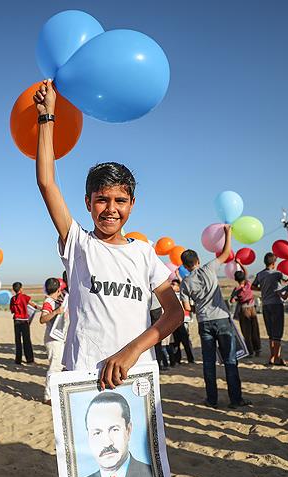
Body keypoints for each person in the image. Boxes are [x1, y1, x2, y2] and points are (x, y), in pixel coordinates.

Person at [33, 79, 183, 387]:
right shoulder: (78, 243)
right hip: (86, 376)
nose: (110, 208)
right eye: (102, 199)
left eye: (120, 200)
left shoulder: (144, 253)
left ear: (132, 204)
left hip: (137, 374)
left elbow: (174, 314)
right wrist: (47, 118)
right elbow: (47, 182)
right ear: (88, 202)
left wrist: (131, 352)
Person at [179, 230, 252, 409]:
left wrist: (199, 306)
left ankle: (212, 400)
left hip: (204, 322)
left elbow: (187, 308)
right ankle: (236, 399)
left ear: (185, 266)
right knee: (230, 360)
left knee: (209, 363)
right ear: (197, 261)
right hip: (222, 319)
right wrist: (228, 233)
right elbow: (226, 253)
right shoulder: (209, 268)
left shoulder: (185, 283)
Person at [78, 392, 155, 477]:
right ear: (88, 437)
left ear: (128, 430)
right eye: (97, 433)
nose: (107, 443)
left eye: (114, 430)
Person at [252, 252, 288, 366]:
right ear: (274, 263)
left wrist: (263, 289)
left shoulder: (259, 274)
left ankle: (272, 356)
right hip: (276, 304)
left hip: (266, 305)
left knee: (271, 333)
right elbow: (287, 281)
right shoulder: (277, 273)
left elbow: (253, 286)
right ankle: (276, 357)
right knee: (277, 332)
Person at [40, 277, 66, 405]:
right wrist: (56, 312)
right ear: (58, 288)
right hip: (53, 339)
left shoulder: (56, 300)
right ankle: (48, 395)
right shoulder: (49, 302)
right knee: (54, 367)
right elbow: (43, 319)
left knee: (59, 366)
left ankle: (54, 392)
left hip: (58, 337)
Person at [229, 269, 262, 357]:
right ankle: (257, 349)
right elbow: (246, 271)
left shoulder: (237, 289)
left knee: (246, 332)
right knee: (255, 329)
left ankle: (250, 352)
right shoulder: (248, 284)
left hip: (244, 310)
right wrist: (240, 263)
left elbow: (231, 301)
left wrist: (237, 297)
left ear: (236, 279)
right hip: (252, 309)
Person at [9, 282, 39, 365]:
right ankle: (29, 359)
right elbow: (32, 304)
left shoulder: (13, 299)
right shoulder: (24, 297)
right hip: (24, 321)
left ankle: (18, 360)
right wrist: (40, 308)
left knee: (17, 340)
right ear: (21, 289)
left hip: (16, 321)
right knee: (26, 340)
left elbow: (12, 310)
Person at [168, 279, 195, 365]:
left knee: (185, 341)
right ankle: (177, 360)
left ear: (179, 286)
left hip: (184, 321)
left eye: (174, 284)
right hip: (174, 322)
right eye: (172, 284)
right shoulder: (170, 296)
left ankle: (190, 359)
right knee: (176, 342)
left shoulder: (183, 294)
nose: (172, 286)